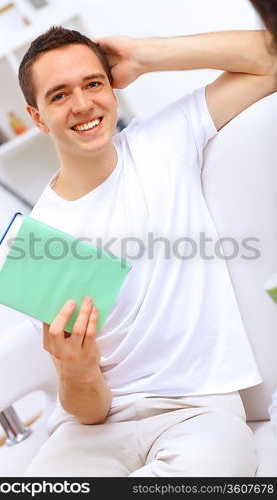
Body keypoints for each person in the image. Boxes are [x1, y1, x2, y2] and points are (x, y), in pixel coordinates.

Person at [17, 26, 276, 476]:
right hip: (92, 433)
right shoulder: (38, 244)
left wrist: (146, 54)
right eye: (58, 95)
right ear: (37, 117)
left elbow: (271, 57)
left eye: (93, 83)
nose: (82, 105)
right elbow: (90, 410)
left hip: (199, 413)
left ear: (113, 88)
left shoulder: (164, 141)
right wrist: (77, 372)